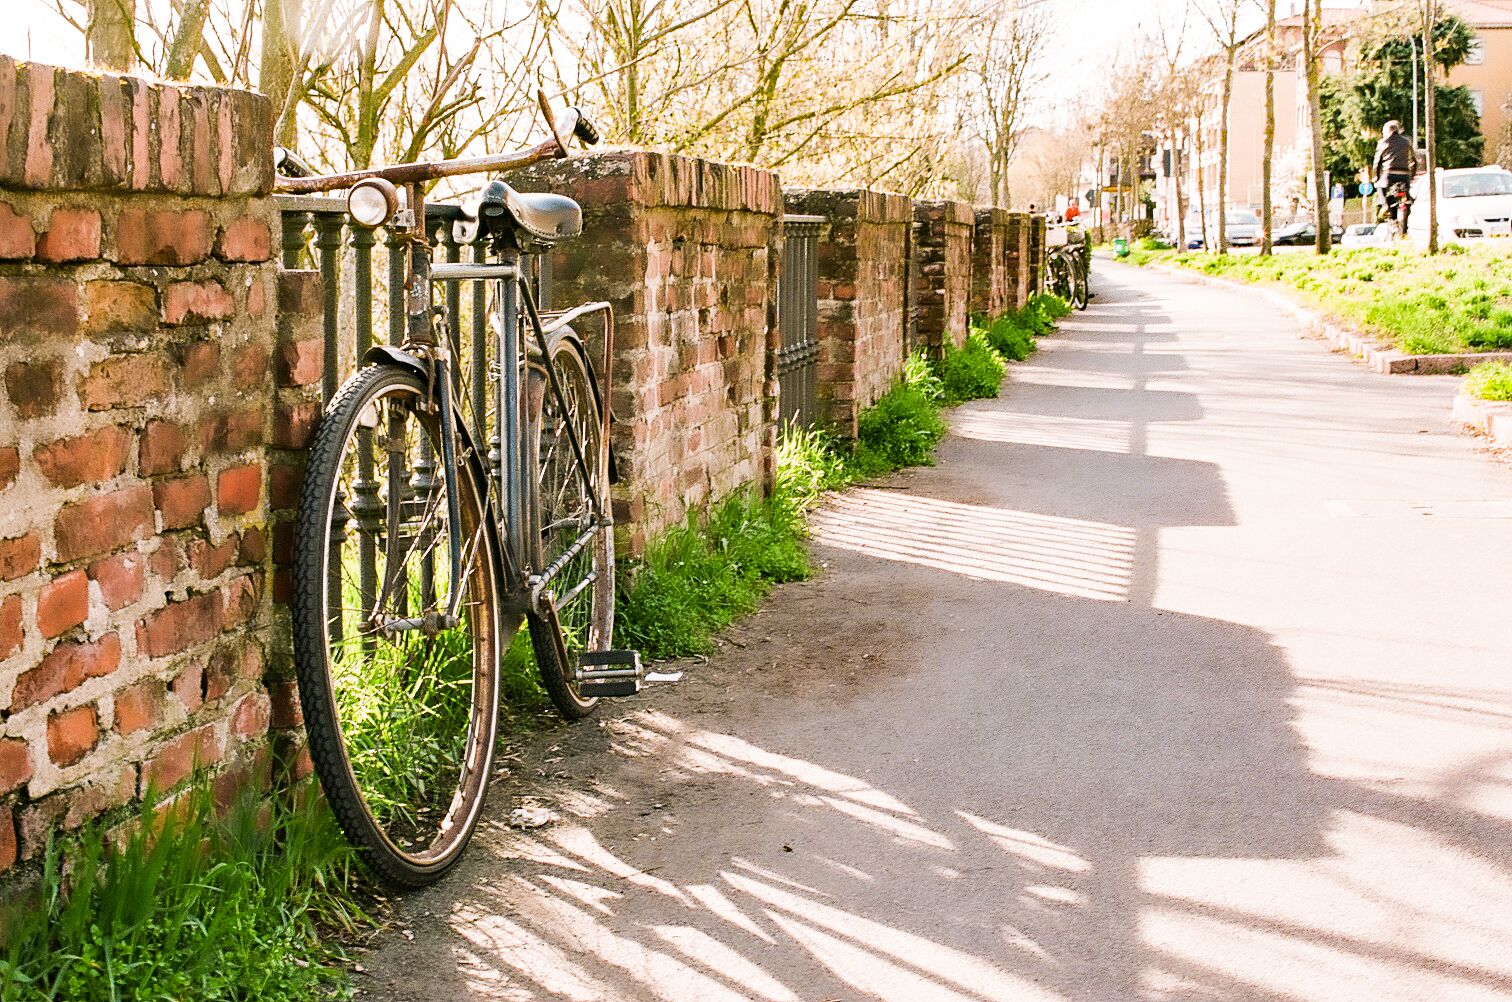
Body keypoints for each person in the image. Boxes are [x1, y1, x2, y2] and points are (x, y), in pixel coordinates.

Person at [1371, 120, 1418, 233]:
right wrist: (1411, 175)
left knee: (1381, 188)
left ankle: (1388, 210)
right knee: (1406, 195)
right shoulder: (1406, 142)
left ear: (1388, 131)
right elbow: (1414, 161)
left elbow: (1377, 162)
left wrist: (1375, 177)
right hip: (1405, 175)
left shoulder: (1383, 142)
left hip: (1390, 174)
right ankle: (1407, 207)